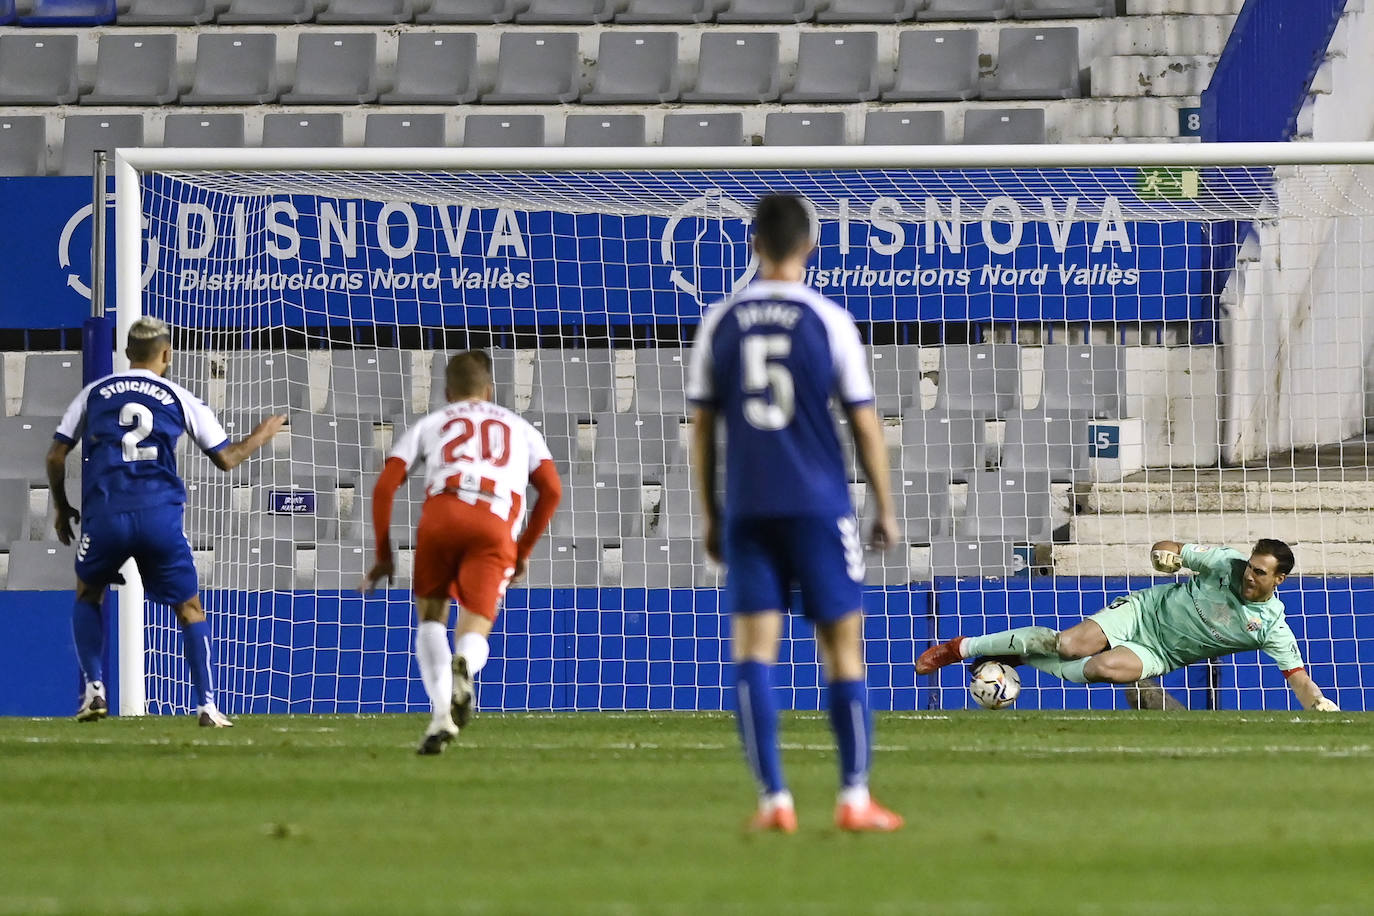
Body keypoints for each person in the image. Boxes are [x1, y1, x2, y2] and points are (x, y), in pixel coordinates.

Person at [686, 194, 904, 833]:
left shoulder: (720, 321)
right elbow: (864, 424)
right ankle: (853, 798)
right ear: (808, 246)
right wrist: (884, 506)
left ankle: (774, 802)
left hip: (750, 508)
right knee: (843, 649)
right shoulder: (828, 319)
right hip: (818, 504)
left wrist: (710, 514)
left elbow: (702, 429)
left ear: (754, 245)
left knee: (753, 651)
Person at [46, 317, 285, 726]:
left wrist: (62, 506)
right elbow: (226, 459)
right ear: (166, 354)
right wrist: (259, 436)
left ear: (126, 354)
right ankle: (207, 705)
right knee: (189, 608)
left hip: (106, 514)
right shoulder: (179, 395)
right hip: (159, 516)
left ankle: (94, 691)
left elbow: (55, 455)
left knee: (88, 593)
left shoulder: (94, 393)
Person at [362, 350, 562, 755]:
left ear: (447, 391)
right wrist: (522, 550)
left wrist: (384, 553)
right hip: (492, 522)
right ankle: (465, 668)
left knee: (431, 619)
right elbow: (552, 490)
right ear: (490, 390)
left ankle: (441, 717)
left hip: (442, 515)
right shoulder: (521, 428)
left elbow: (385, 487)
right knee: (475, 624)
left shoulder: (431, 423)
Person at [917, 539, 1341, 711]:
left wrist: (1320, 706)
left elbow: (1298, 678)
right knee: (1068, 644)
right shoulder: (1224, 563)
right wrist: (1164, 555)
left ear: (1278, 580)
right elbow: (1171, 547)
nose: (1250, 576)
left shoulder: (1272, 627)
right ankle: (959, 648)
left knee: (1101, 670)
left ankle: (1022, 658)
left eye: (1261, 573)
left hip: (1162, 653)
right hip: (1143, 612)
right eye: (1251, 567)